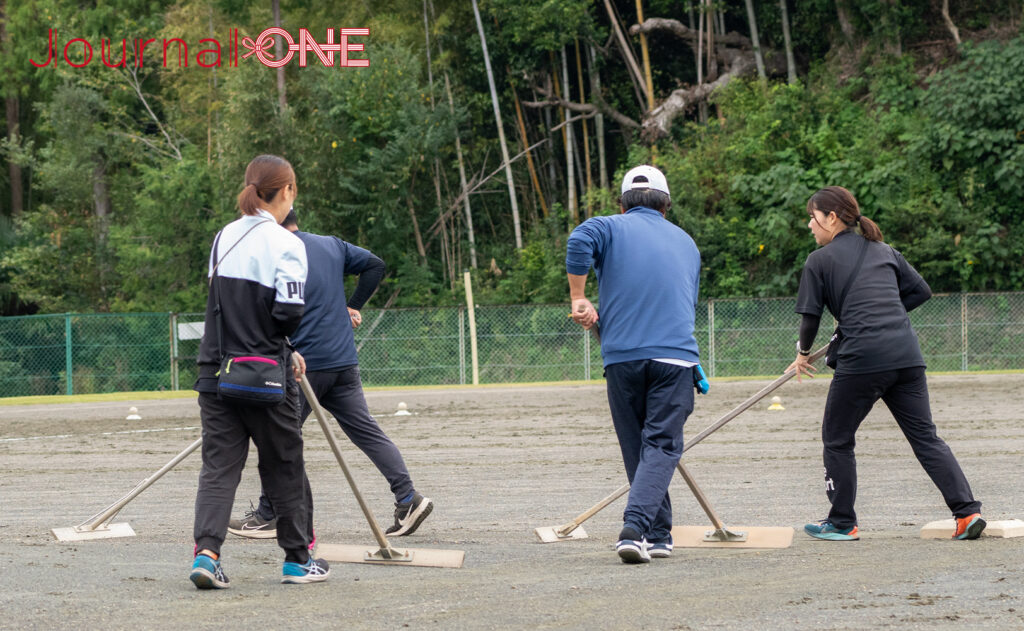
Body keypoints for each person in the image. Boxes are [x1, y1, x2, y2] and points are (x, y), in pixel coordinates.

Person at [787, 185, 985, 541]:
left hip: (863, 359)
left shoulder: (819, 261)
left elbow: (810, 318)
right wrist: (887, 316)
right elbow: (921, 291)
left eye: (813, 218)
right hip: (907, 356)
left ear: (831, 219)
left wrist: (802, 353)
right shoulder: (885, 251)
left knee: (837, 439)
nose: (809, 225)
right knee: (926, 438)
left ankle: (842, 522)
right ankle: (967, 513)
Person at [227, 210, 433, 541]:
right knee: (367, 431)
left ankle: (269, 515)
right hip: (342, 361)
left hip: (305, 366)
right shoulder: (332, 245)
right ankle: (408, 499)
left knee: (276, 437)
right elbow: (375, 265)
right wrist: (353, 305)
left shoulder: (278, 252)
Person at [190, 155, 330, 589]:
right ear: (286, 191)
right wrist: (286, 350)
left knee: (218, 468)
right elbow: (288, 313)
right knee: (283, 464)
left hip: (216, 372)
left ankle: (207, 555)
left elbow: (220, 307)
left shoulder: (222, 238)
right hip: (266, 376)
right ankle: (297, 560)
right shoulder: (287, 244)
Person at [566, 165, 702, 563]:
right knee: (660, 446)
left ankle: (658, 535)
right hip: (675, 358)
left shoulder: (607, 227)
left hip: (622, 358)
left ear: (622, 204)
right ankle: (637, 527)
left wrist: (579, 296)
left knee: (638, 449)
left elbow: (579, 238)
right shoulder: (687, 243)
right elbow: (683, 304)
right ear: (666, 204)